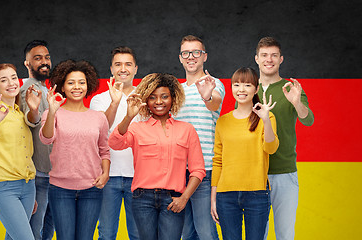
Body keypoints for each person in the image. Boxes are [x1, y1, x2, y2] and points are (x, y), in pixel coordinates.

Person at [108, 73, 206, 240]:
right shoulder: (137, 128)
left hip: (173, 199)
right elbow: (115, 143)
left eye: (164, 97)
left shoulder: (187, 129)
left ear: (173, 98)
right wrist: (129, 116)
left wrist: (184, 198)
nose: (159, 102)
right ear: (146, 100)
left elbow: (198, 170)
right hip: (142, 199)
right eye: (152, 97)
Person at [39, 59, 110, 240]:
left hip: (92, 188)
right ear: (62, 86)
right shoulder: (51, 113)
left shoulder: (98, 118)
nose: (76, 87)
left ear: (88, 85)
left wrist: (105, 173)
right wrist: (53, 111)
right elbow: (47, 139)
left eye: (81, 82)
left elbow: (104, 149)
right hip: (60, 188)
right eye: (70, 83)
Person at [255, 37, 314, 240]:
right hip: (254, 174)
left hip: (284, 173)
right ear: (257, 59)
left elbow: (309, 120)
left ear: (281, 59)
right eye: (264, 55)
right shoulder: (247, 89)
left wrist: (297, 103)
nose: (268, 59)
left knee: (285, 234)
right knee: (257, 234)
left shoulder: (291, 89)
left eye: (273, 55)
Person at [210, 67, 279, 240]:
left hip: (257, 193)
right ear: (231, 88)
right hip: (226, 195)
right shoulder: (223, 121)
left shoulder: (267, 118)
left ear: (256, 89)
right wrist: (213, 198)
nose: (241, 90)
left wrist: (265, 119)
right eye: (237, 85)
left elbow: (270, 149)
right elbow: (218, 161)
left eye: (247, 85)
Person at [0, 63, 41, 240]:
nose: (11, 83)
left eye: (13, 77)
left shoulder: (20, 114)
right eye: (4, 80)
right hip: (4, 187)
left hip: (27, 186)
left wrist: (30, 191)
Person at [176, 35, 224, 240]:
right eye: (186, 53)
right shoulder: (176, 90)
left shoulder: (213, 84)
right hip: (179, 171)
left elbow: (215, 103)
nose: (191, 57)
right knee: (186, 233)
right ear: (180, 58)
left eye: (196, 52)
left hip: (205, 170)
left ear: (204, 56)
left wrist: (207, 95)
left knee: (206, 232)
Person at [90, 46, 140, 240]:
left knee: (138, 234)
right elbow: (101, 128)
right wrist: (115, 102)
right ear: (111, 69)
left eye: (128, 64)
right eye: (118, 64)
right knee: (107, 234)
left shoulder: (145, 99)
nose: (123, 69)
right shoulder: (99, 100)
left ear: (136, 68)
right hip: (107, 176)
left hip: (138, 177)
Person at [19, 40, 55, 240]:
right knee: (35, 230)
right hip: (39, 173)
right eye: (37, 58)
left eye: (47, 57)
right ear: (27, 63)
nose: (44, 62)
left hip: (50, 173)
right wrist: (33, 112)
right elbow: (30, 121)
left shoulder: (43, 89)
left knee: (46, 228)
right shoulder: (28, 89)